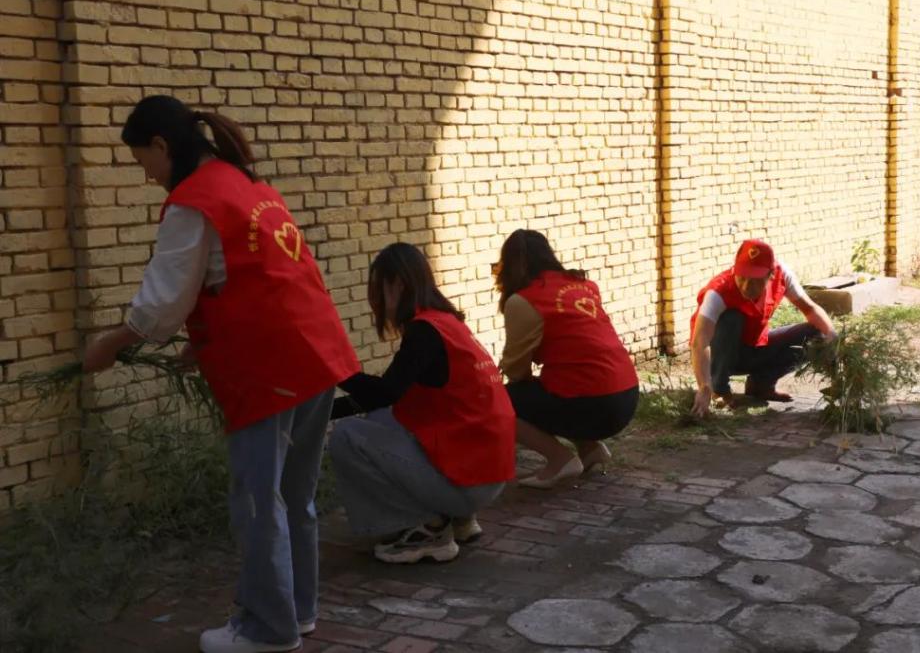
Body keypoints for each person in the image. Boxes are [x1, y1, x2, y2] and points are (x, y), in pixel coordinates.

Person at [82, 95, 361, 653]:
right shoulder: (248, 185)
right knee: (295, 494)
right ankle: (298, 609)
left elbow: (162, 304)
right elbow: (245, 276)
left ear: (161, 145)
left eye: (143, 163)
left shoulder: (194, 200)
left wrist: (112, 342)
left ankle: (267, 628)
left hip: (268, 366)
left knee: (257, 498)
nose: (148, 177)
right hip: (315, 353)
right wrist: (205, 340)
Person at [328, 242, 516, 565]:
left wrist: (335, 369)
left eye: (377, 288)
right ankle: (459, 518)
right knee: (382, 418)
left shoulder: (424, 332)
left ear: (397, 284)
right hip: (487, 473)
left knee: (346, 437)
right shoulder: (447, 324)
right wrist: (324, 410)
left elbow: (383, 392)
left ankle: (428, 527)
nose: (375, 301)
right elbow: (387, 398)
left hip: (470, 482)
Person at [494, 229, 639, 489]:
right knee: (559, 386)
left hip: (593, 403)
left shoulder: (523, 300)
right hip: (627, 395)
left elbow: (516, 371)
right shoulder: (584, 285)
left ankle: (560, 459)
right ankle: (590, 449)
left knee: (497, 403)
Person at [690, 238, 836, 418]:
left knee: (816, 333)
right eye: (742, 277)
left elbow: (810, 309)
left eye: (754, 281)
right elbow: (700, 341)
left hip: (753, 348)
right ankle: (718, 390)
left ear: (771, 275)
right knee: (730, 318)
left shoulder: (783, 275)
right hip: (721, 355)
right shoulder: (718, 291)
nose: (746, 286)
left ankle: (761, 385)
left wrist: (835, 342)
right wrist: (704, 386)